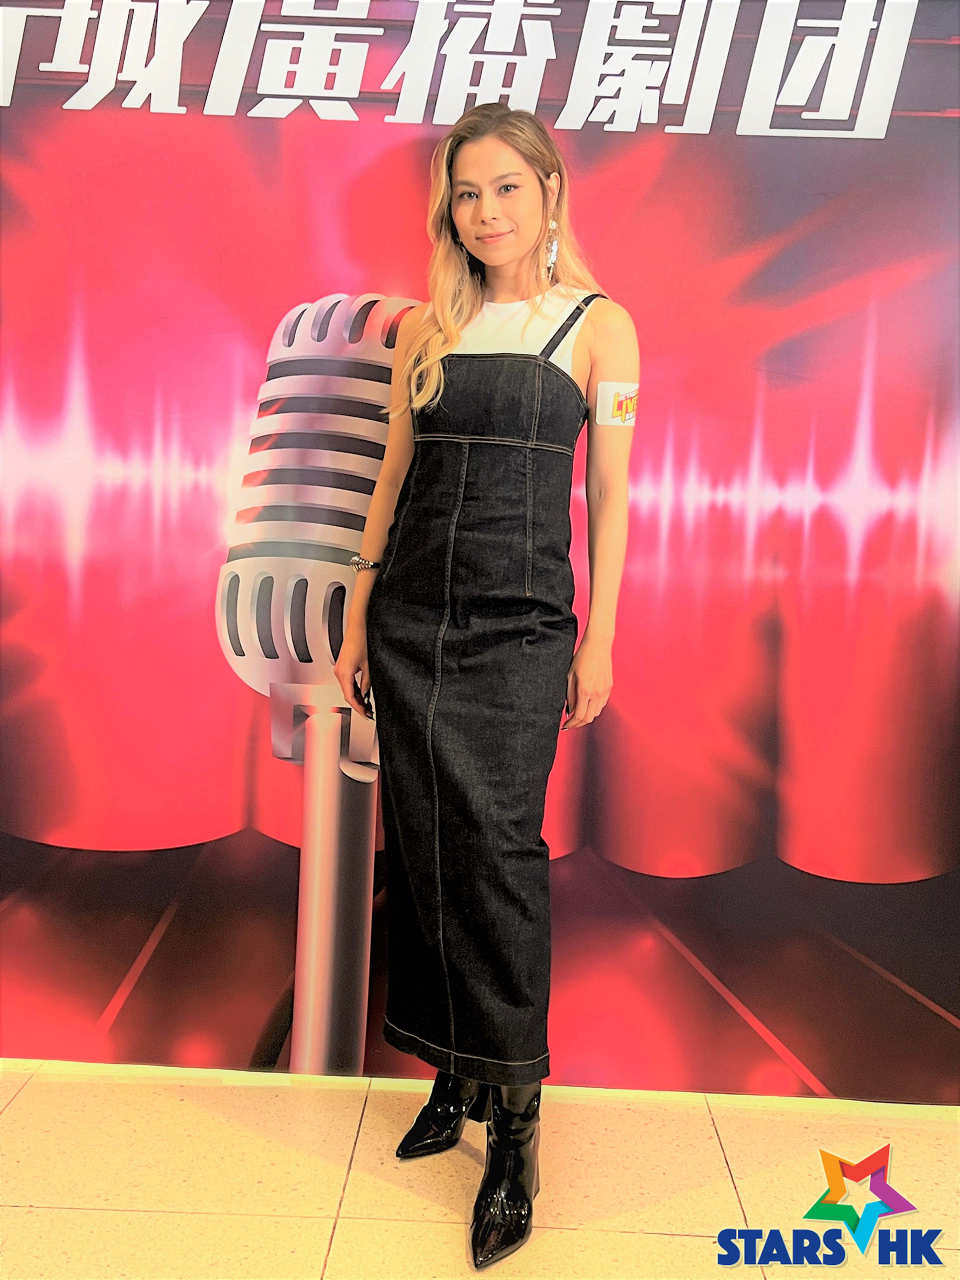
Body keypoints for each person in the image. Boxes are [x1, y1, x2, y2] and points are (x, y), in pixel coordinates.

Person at [334, 103, 637, 1269]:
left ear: (549, 190)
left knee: (498, 852)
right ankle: (453, 1075)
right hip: (411, 618)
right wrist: (359, 610)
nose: (487, 210)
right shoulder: (429, 327)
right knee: (423, 844)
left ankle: (517, 1124)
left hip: (521, 628)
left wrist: (598, 640)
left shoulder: (601, 327)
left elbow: (609, 497)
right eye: (467, 192)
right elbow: (392, 478)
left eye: (507, 186)